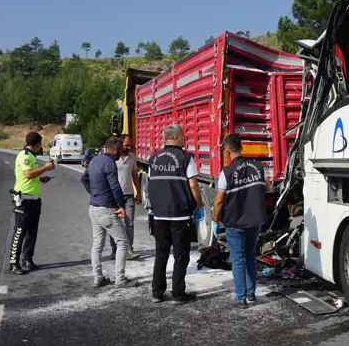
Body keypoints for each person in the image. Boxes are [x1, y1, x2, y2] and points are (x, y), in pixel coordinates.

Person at [147, 124, 203, 304]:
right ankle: (178, 294)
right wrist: (199, 205)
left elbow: (150, 184)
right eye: (184, 136)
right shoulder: (186, 158)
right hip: (180, 215)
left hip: (159, 215)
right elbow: (193, 185)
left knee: (161, 254)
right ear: (177, 137)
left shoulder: (153, 159)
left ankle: (157, 292)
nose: (185, 139)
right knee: (181, 255)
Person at [212, 133, 269, 309]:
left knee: (238, 260)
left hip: (235, 222)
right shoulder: (258, 167)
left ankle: (241, 298)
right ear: (241, 147)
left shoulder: (226, 172)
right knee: (251, 256)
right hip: (255, 220)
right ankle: (251, 293)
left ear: (227, 150)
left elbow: (219, 200)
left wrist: (215, 220)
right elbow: (267, 187)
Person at [81, 136, 135, 288]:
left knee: (97, 244)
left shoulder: (94, 160)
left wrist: (94, 194)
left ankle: (98, 278)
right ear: (116, 149)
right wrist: (122, 206)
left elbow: (84, 179)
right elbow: (115, 187)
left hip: (94, 208)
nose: (121, 152)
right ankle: (120, 279)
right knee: (122, 242)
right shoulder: (110, 163)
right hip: (107, 210)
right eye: (120, 149)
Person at [9, 132, 55, 275]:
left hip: (34, 199)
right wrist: (46, 168)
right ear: (37, 144)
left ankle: (27, 259)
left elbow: (19, 174)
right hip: (23, 200)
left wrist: (40, 179)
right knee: (20, 232)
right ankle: (13, 263)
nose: (40, 147)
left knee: (32, 232)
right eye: (40, 145)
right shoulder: (25, 156)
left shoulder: (31, 156)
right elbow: (28, 174)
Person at [109, 134, 142, 261]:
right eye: (127, 145)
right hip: (114, 196)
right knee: (115, 223)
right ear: (120, 144)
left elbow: (135, 176)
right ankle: (115, 251)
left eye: (130, 145)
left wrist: (138, 192)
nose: (129, 147)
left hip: (128, 195)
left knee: (129, 223)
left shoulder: (132, 157)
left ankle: (129, 250)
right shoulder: (112, 157)